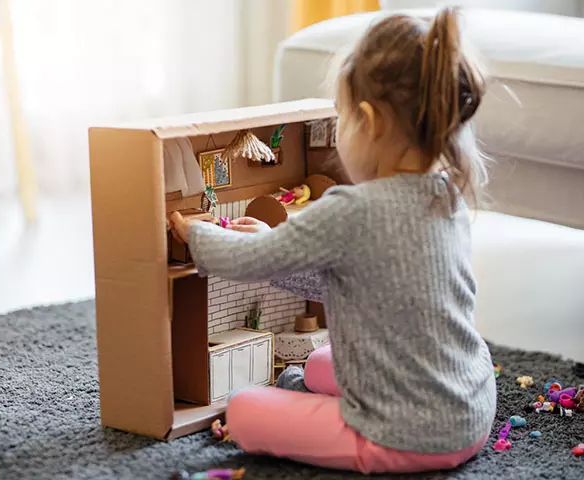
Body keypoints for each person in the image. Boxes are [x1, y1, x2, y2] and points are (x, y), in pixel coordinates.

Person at [169, 6, 496, 474]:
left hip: (406, 436)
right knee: (323, 364)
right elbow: (362, 288)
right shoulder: (448, 197)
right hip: (471, 408)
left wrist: (195, 232)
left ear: (369, 121)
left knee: (243, 409)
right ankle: (316, 393)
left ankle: (336, 422)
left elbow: (248, 262)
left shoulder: (351, 209)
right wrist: (274, 236)